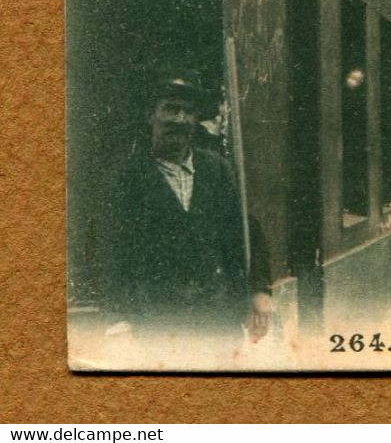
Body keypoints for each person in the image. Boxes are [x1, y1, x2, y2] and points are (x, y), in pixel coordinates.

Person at [99, 76, 273, 346]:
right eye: (170, 109)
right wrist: (119, 319)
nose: (180, 120)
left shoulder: (217, 169)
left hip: (218, 318)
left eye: (188, 112)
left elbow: (242, 233)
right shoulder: (127, 176)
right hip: (156, 323)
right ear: (151, 115)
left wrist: (260, 292)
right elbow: (112, 251)